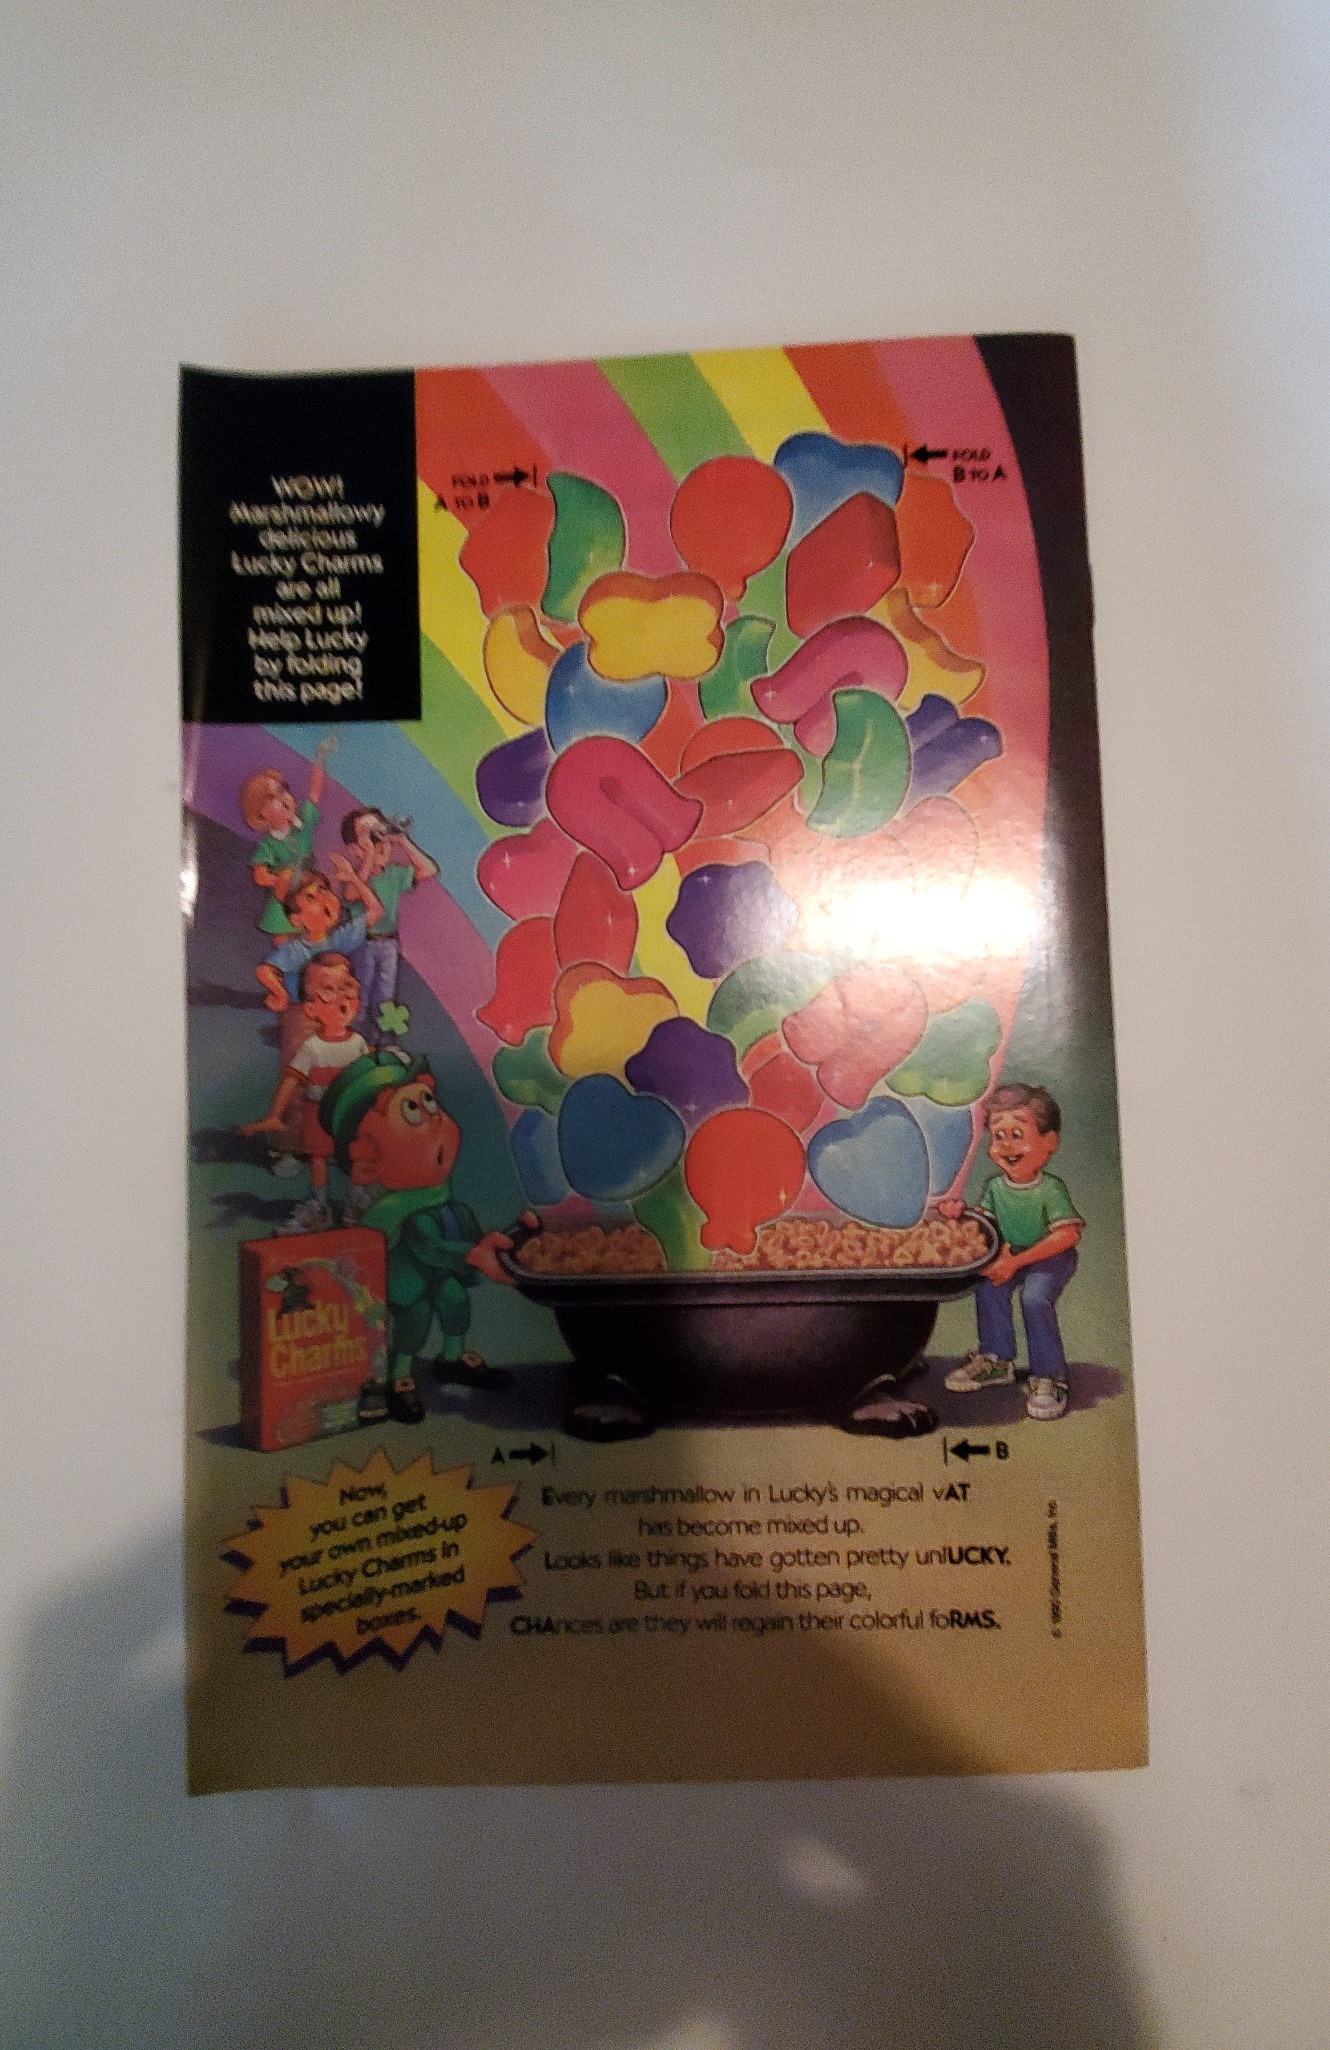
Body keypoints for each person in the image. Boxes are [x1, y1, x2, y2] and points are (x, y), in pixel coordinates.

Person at [319, 1049, 526, 1425]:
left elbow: (459, 1231)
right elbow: (431, 1248)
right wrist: (472, 1255)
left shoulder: (438, 1198)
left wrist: (499, 1239)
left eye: (429, 1102)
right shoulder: (405, 1215)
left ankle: (451, 1358)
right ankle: (399, 1376)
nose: (434, 1120)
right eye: (412, 1110)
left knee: (454, 1299)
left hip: (438, 1272)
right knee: (415, 1317)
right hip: (407, 1280)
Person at [939, 1083, 1083, 1421]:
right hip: (1011, 1254)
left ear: (1049, 1142)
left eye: (1017, 1134)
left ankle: (1049, 1376)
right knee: (989, 1286)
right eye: (998, 1136)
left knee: (1034, 1298)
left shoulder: (1051, 1189)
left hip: (1050, 1258)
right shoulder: (994, 1186)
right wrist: (959, 1214)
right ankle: (997, 1359)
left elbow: (1068, 1234)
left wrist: (1015, 1262)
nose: (1006, 1145)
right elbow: (985, 1224)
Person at [241, 953, 369, 1234]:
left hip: (351, 1115)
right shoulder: (312, 1048)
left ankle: (356, 1202)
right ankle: (319, 1205)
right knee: (318, 1158)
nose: (341, 999)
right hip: (318, 1115)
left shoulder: (359, 1043)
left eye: (347, 988)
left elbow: (369, 1077)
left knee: (356, 1156)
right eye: (328, 992)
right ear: (311, 1010)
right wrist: (275, 1115)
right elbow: (292, 1080)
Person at [338, 807, 438, 1035]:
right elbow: (351, 895)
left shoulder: (393, 874)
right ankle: (355, 1041)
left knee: (385, 999)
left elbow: (429, 869)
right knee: (360, 995)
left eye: (380, 832)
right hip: (362, 943)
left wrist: (401, 840)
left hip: (389, 944)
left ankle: (381, 1043)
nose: (379, 842)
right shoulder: (353, 877)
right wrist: (369, 855)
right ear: (354, 849)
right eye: (369, 836)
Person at [239, 736, 335, 936]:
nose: (284, 799)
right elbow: (260, 876)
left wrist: (320, 757)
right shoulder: (268, 845)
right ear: (261, 814)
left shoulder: (303, 822)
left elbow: (314, 793)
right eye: (272, 798)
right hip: (287, 902)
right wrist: (281, 879)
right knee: (287, 937)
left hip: (311, 894)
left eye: (283, 791)